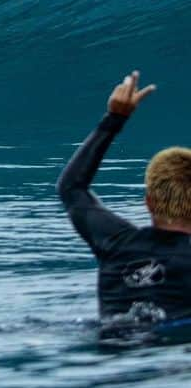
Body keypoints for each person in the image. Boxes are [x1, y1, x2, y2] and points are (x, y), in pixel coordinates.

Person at [58, 70, 191, 328]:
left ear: (149, 202)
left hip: (110, 347)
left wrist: (114, 118)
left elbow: (71, 188)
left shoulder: (115, 242)